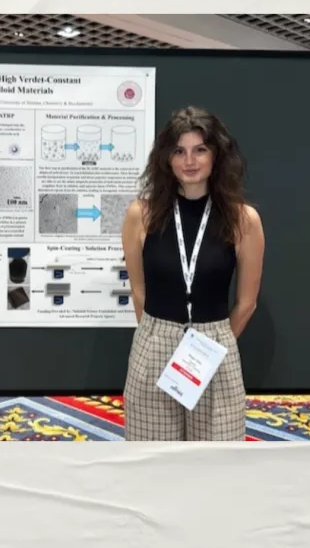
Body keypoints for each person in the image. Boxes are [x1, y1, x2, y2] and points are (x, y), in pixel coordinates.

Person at [120, 106, 264, 441]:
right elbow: (139, 292)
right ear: (166, 159)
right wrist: (161, 337)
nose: (190, 161)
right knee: (150, 462)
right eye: (179, 151)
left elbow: (246, 303)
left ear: (216, 156)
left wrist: (213, 343)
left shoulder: (244, 220)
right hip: (154, 344)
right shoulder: (141, 215)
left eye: (200, 149)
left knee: (216, 466)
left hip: (213, 347)